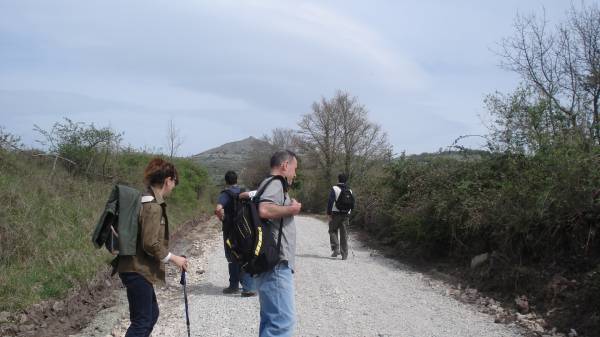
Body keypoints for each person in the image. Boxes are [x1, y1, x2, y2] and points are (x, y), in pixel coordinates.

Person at [117, 157, 188, 337]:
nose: (174, 186)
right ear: (168, 180)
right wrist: (174, 259)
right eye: (174, 182)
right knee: (141, 322)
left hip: (135, 268)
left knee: (151, 315)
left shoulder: (143, 199)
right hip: (137, 270)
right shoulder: (152, 206)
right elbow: (150, 243)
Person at [255, 150, 302, 337]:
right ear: (285, 165)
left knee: (271, 320)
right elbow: (264, 209)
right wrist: (292, 209)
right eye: (294, 168)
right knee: (282, 323)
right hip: (276, 264)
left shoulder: (266, 183)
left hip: (270, 263)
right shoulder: (276, 183)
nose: (295, 174)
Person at [215, 170, 256, 297]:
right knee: (246, 255)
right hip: (246, 229)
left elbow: (218, 208)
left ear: (226, 181)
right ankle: (248, 288)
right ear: (237, 180)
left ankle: (233, 286)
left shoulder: (225, 194)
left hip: (230, 231)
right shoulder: (245, 191)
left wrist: (221, 217)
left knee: (232, 256)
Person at [327, 173, 353, 260]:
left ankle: (336, 249)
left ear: (338, 179)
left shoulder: (335, 188)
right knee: (344, 234)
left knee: (332, 230)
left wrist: (328, 213)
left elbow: (330, 201)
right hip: (346, 215)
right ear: (346, 180)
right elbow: (353, 203)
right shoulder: (350, 190)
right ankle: (344, 254)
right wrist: (349, 213)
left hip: (336, 214)